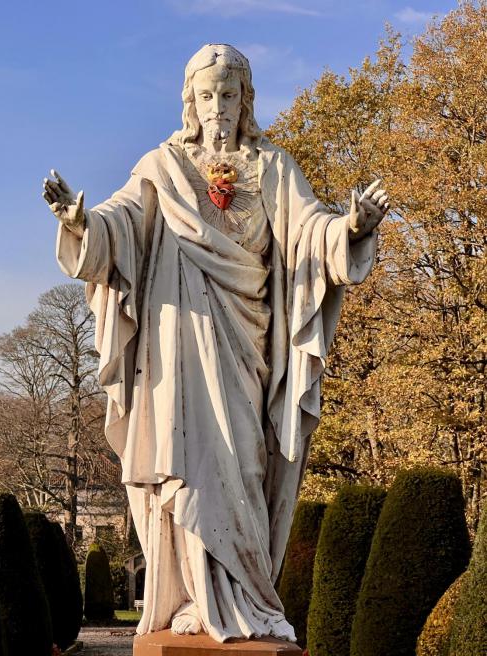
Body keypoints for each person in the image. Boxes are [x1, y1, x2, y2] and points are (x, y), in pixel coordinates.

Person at [42, 44, 389, 643]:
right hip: (175, 346)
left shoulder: (273, 167)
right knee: (186, 468)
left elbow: (310, 229)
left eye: (229, 94)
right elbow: (121, 222)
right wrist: (82, 223)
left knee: (243, 463)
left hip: (245, 342)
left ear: (244, 100)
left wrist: (350, 229)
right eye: (207, 95)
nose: (217, 106)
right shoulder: (162, 166)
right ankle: (190, 599)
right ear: (191, 102)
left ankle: (248, 597)